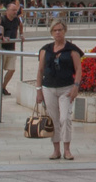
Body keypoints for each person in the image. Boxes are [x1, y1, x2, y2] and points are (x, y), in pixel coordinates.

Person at [34, 20, 83, 160]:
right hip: (49, 88)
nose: (58, 33)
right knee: (53, 119)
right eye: (55, 30)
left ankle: (67, 149)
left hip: (66, 88)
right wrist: (38, 90)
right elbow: (40, 70)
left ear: (64, 31)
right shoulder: (45, 50)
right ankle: (56, 149)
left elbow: (78, 69)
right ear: (51, 32)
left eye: (60, 30)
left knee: (65, 118)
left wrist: (76, 86)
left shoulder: (72, 50)